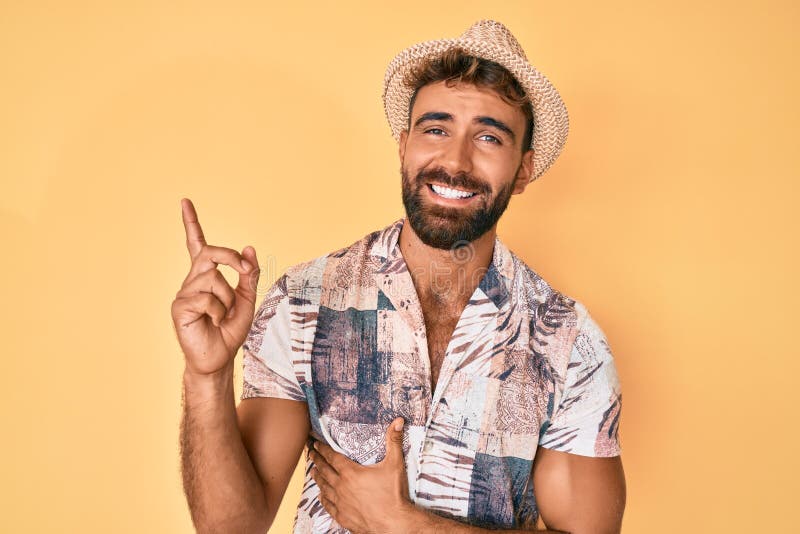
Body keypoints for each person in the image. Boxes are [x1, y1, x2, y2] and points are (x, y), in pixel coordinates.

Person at [172, 19, 626, 534]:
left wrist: (404, 524)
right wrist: (207, 378)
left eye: (488, 137)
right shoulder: (303, 301)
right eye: (436, 129)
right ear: (404, 144)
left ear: (522, 170)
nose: (454, 161)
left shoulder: (568, 342)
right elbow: (230, 527)